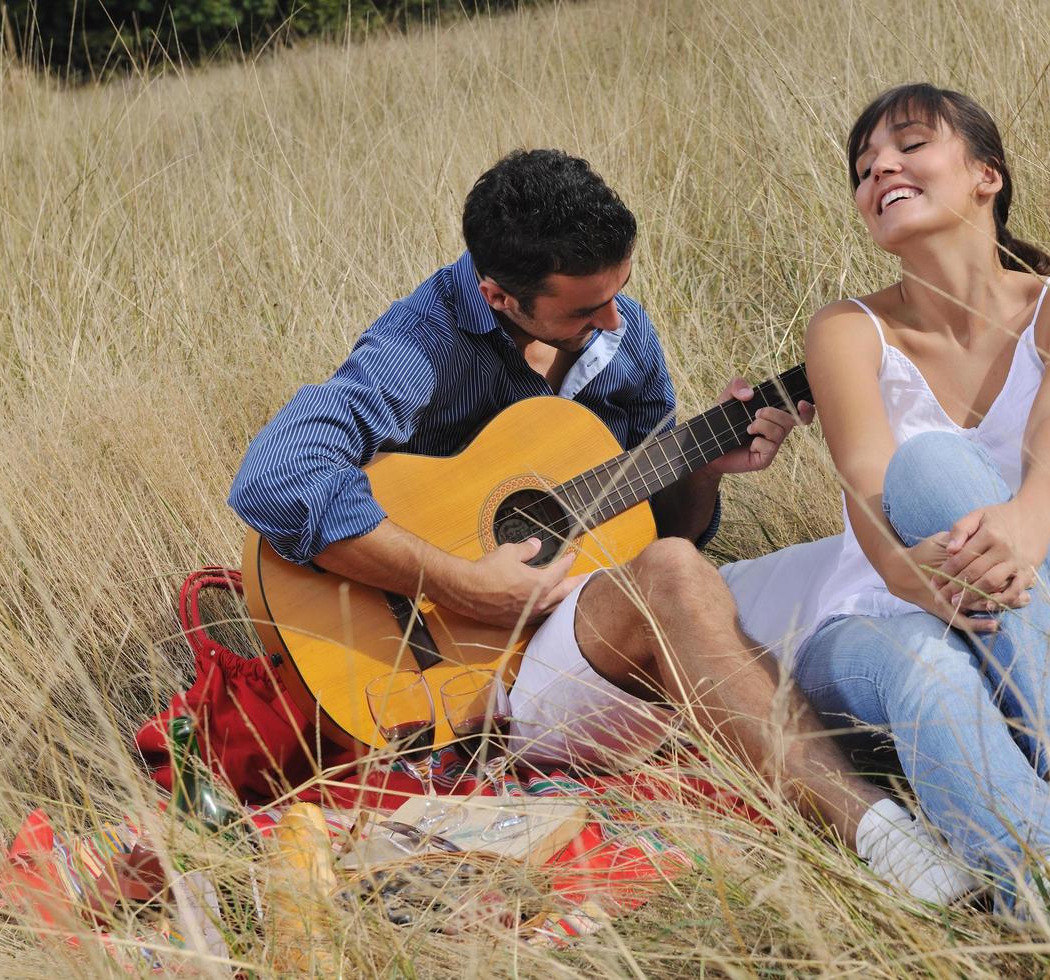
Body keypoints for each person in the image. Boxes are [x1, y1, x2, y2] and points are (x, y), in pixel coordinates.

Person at [229, 148, 980, 903]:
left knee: (868, 565)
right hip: (482, 681)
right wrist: (461, 582)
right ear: (498, 295)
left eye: (619, 291)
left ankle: (1037, 780)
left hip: (602, 623)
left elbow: (663, 532)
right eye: (585, 310)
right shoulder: (418, 346)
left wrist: (701, 470)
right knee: (678, 581)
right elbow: (276, 475)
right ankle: (887, 841)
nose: (614, 320)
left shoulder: (622, 334)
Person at [783, 83, 1050, 918]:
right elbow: (865, 481)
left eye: (908, 145)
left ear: (986, 176)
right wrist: (909, 579)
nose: (880, 169)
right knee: (927, 652)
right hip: (881, 615)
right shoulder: (846, 328)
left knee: (938, 469)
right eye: (864, 167)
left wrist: (1022, 525)